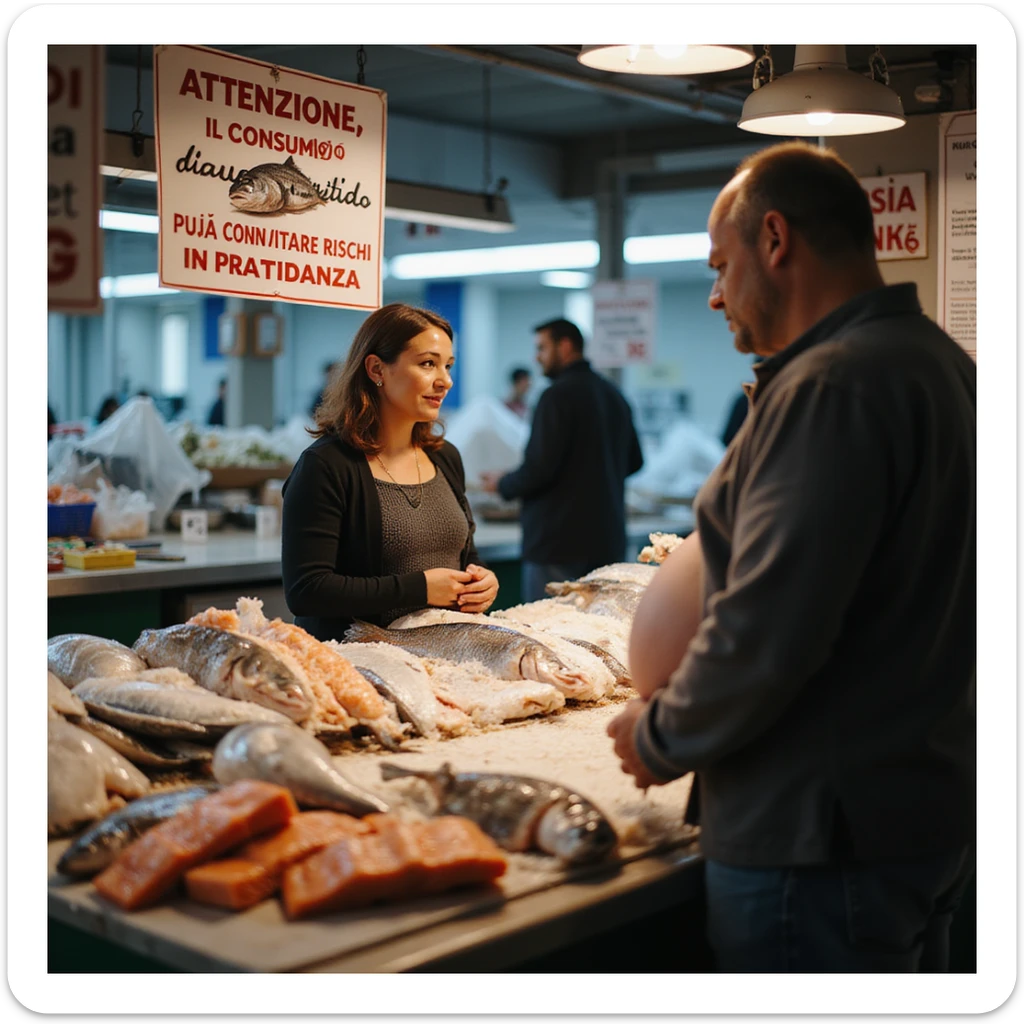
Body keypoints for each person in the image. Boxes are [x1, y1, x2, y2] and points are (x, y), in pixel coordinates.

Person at [607, 141, 976, 974]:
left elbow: (771, 628)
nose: (715, 295)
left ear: (775, 240)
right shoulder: (945, 366)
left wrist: (660, 735)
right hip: (920, 810)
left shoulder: (830, 386)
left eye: (720, 265)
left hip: (821, 836)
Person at [281, 303, 499, 642]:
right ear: (376, 369)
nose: (445, 381)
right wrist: (421, 588)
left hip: (443, 657)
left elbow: (465, 554)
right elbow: (307, 589)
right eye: (428, 364)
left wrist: (482, 581)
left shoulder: (445, 457)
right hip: (358, 663)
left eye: (448, 366)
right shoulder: (326, 466)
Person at [480, 318, 644, 602]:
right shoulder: (614, 394)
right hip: (607, 543)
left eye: (542, 348)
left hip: (558, 547)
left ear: (565, 346)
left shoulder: (556, 397)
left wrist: (503, 483)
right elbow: (635, 461)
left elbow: (539, 469)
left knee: (551, 634)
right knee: (598, 635)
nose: (537, 357)